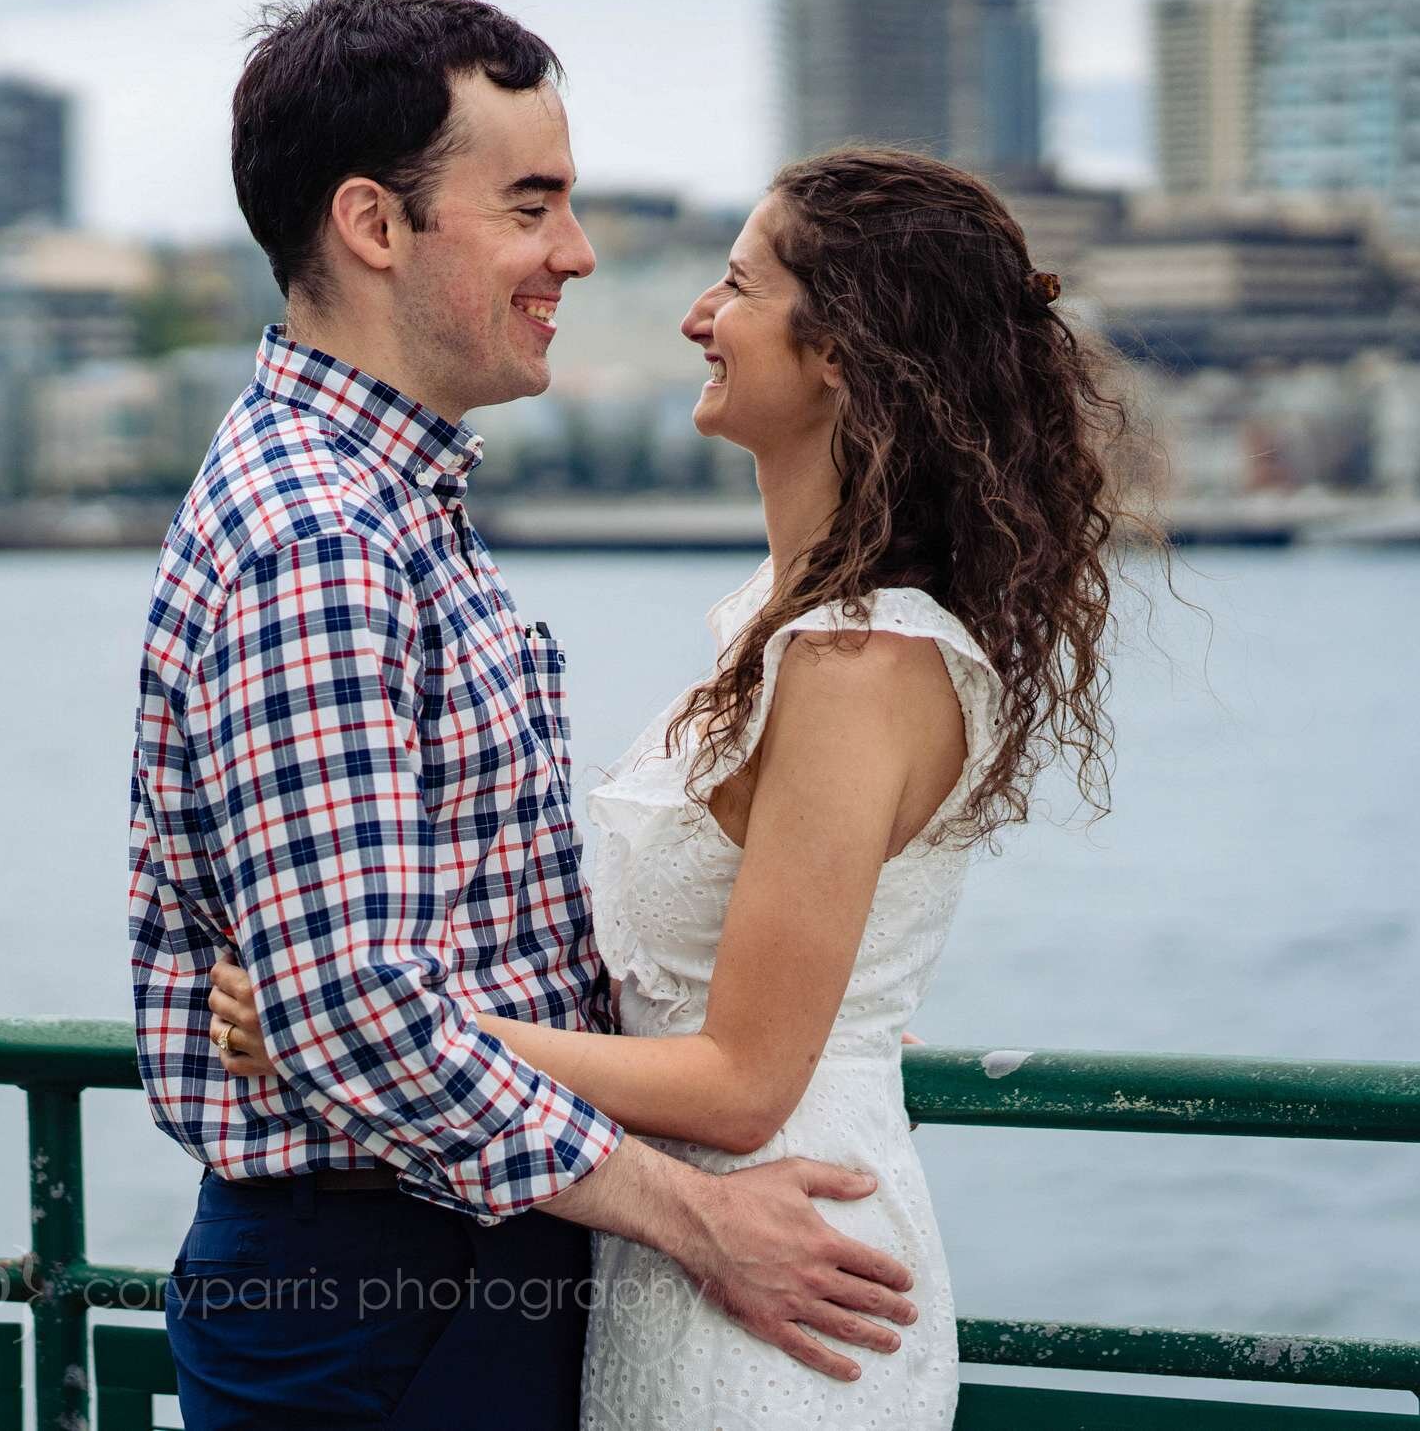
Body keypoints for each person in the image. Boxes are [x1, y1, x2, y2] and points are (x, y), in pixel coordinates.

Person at [211, 146, 1142, 1427]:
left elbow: (744, 1078)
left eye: (736, 285)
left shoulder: (858, 659)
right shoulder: (784, 625)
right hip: (686, 1235)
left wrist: (347, 1025)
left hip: (780, 1253)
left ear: (838, 356)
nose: (697, 316)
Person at [125, 0, 924, 1431]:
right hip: (384, 1282)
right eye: (532, 205)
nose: (578, 251)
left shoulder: (388, 502)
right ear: (375, 226)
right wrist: (695, 1216)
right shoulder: (323, 536)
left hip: (448, 1257)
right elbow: (363, 1012)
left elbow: (376, 983)